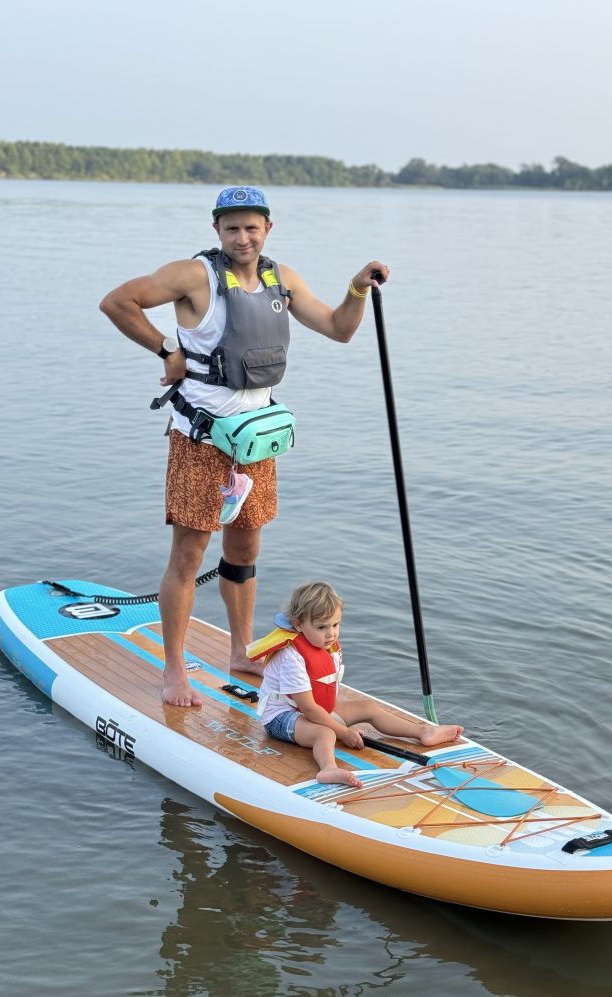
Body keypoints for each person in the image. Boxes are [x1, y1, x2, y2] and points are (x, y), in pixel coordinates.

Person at [100, 186, 389, 708]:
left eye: (252, 227)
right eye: (231, 227)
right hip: (201, 440)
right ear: (217, 231)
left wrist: (356, 290)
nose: (242, 237)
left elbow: (339, 329)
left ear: (267, 229)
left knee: (245, 548)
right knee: (189, 555)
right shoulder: (196, 276)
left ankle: (240, 650)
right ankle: (173, 670)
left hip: (256, 441)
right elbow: (117, 302)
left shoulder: (282, 278)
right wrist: (166, 347)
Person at [248, 582, 464, 789]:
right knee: (326, 733)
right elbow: (308, 708)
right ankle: (328, 769)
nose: (331, 633)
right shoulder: (291, 657)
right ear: (298, 624)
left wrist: (340, 723)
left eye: (335, 624)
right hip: (281, 717)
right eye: (321, 627)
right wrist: (343, 732)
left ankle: (423, 732)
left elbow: (321, 698)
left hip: (311, 713)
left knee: (368, 707)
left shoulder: (324, 645)